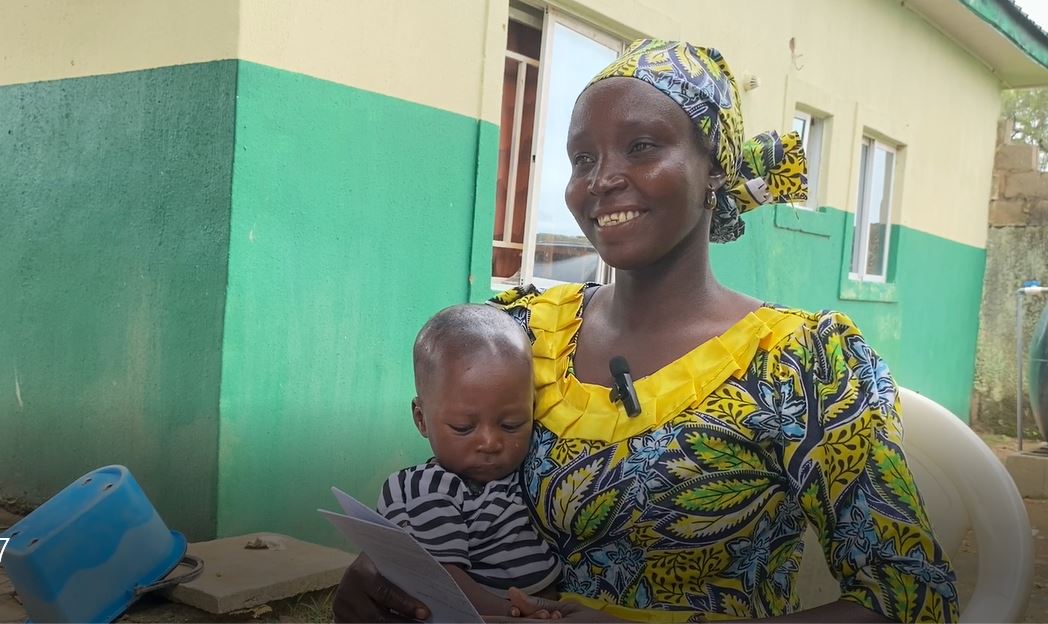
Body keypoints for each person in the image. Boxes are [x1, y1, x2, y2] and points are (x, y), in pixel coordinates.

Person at [335, 39, 958, 623]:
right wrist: (388, 578)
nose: (602, 178)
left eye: (641, 146)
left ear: (714, 166)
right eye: (583, 158)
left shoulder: (803, 365)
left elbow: (911, 599)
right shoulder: (519, 332)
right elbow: (449, 495)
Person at [376, 304, 561, 617]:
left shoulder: (520, 477)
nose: (490, 442)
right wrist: (508, 615)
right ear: (421, 419)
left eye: (512, 424)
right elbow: (441, 579)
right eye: (463, 428)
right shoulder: (428, 488)